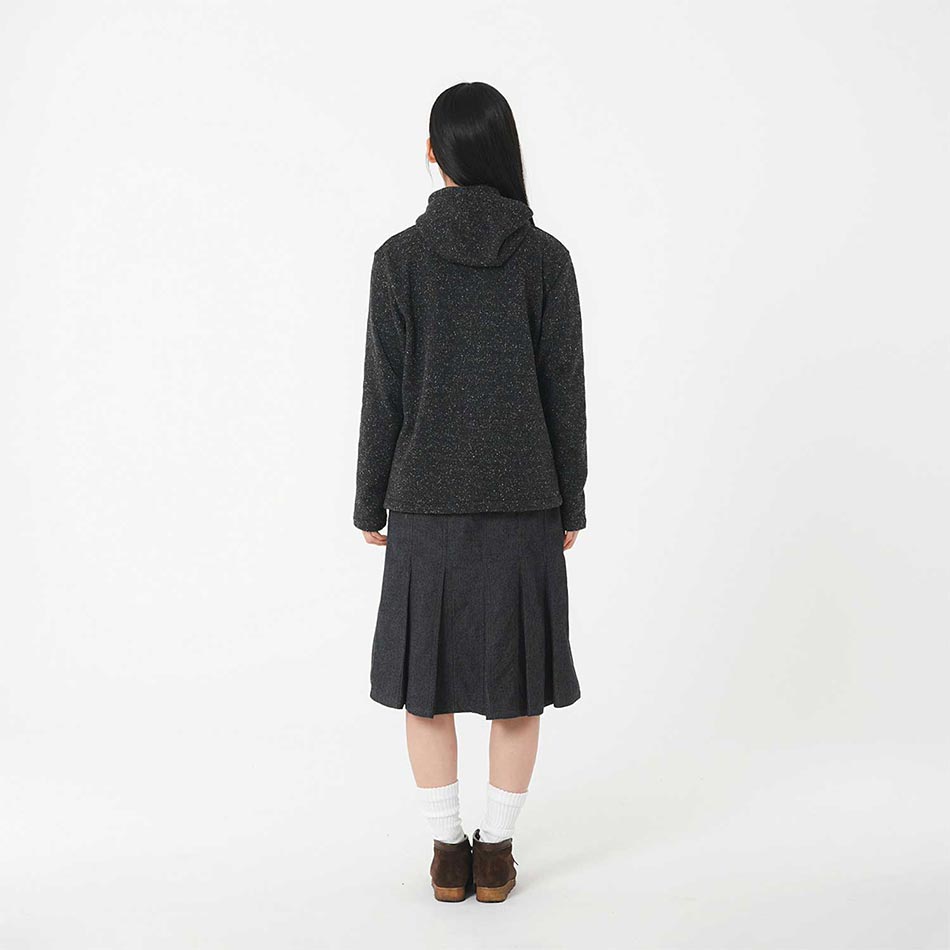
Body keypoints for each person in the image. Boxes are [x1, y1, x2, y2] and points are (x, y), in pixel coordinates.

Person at [354, 81, 587, 903]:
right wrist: (571, 501)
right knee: (515, 690)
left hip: (426, 504)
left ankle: (447, 851)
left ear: (433, 153)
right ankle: (496, 854)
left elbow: (383, 394)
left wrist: (369, 502)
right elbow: (565, 393)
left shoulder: (399, 260)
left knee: (427, 687)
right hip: (526, 504)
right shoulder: (546, 257)